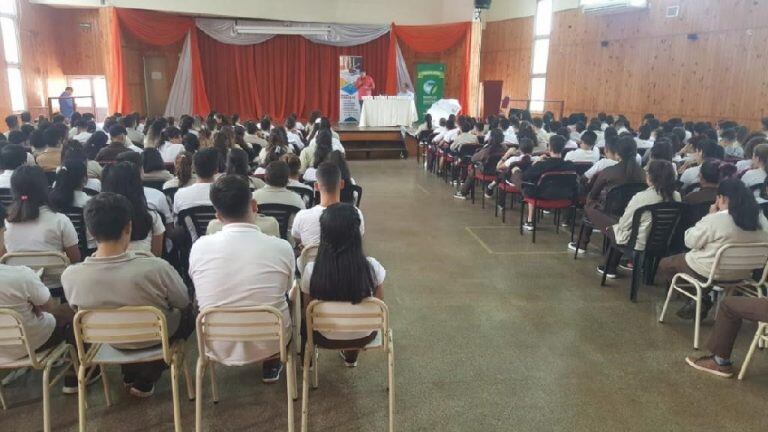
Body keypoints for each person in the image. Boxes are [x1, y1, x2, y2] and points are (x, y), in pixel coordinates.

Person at [62, 192, 192, 397]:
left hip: (105, 338)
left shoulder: (71, 275)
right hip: (156, 337)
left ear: (89, 230)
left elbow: (75, 310)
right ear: (128, 227)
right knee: (189, 314)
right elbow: (183, 301)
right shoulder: (155, 267)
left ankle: (131, 370)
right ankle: (150, 372)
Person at [189, 175, 295, 382]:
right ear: (254, 206)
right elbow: (288, 289)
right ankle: (272, 363)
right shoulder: (281, 247)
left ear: (217, 215)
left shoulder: (199, 247)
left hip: (215, 342)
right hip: (272, 340)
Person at [658, 179, 768, 321]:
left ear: (722, 198)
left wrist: (709, 215)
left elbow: (690, 241)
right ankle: (701, 297)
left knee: (666, 263)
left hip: (709, 271)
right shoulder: (761, 219)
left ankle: (700, 299)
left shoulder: (717, 219)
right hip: (743, 274)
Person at [301, 203, 385, 367]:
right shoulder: (372, 267)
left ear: (324, 234)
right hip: (364, 335)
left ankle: (308, 360)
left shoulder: (311, 270)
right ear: (357, 234)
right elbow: (379, 309)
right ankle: (351, 355)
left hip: (324, 336)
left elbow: (307, 310)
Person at [597, 160, 681, 279]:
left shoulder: (641, 197)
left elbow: (624, 225)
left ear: (651, 177)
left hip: (640, 243)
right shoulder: (677, 196)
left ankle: (609, 267)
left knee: (614, 228)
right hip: (664, 242)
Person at [569, 136, 646, 252]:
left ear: (617, 153)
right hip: (632, 214)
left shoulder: (609, 171)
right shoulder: (643, 173)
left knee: (589, 206)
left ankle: (581, 244)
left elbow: (593, 194)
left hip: (609, 213)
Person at [1, 165, 80, 264]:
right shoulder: (60, 221)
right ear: (44, 189)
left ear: (14, 190)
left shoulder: (4, 224)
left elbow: (2, 260)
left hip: (16, 278)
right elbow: (75, 259)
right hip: (54, 279)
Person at [292, 162, 364, 248]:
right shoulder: (356, 214)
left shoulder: (302, 216)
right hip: (346, 261)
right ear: (342, 184)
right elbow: (358, 239)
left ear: (316, 186)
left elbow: (297, 239)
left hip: (313, 261)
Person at [103, 162, 165, 256]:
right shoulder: (152, 217)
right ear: (138, 186)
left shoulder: (99, 218)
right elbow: (157, 257)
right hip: (145, 268)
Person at [520, 135, 576, 230]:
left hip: (541, 196)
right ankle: (565, 220)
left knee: (531, 184)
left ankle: (530, 221)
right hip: (563, 196)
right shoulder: (570, 165)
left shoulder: (541, 164)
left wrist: (535, 163)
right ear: (563, 148)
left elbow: (525, 176)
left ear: (549, 147)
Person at [454, 129, 506, 200]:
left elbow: (473, 159)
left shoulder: (488, 149)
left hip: (486, 171)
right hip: (499, 172)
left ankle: (463, 193)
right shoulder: (505, 148)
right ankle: (488, 192)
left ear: (491, 138)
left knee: (473, 171)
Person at [173, 148, 218, 214]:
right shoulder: (225, 195)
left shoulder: (179, 195)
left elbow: (177, 222)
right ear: (216, 170)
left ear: (193, 168)